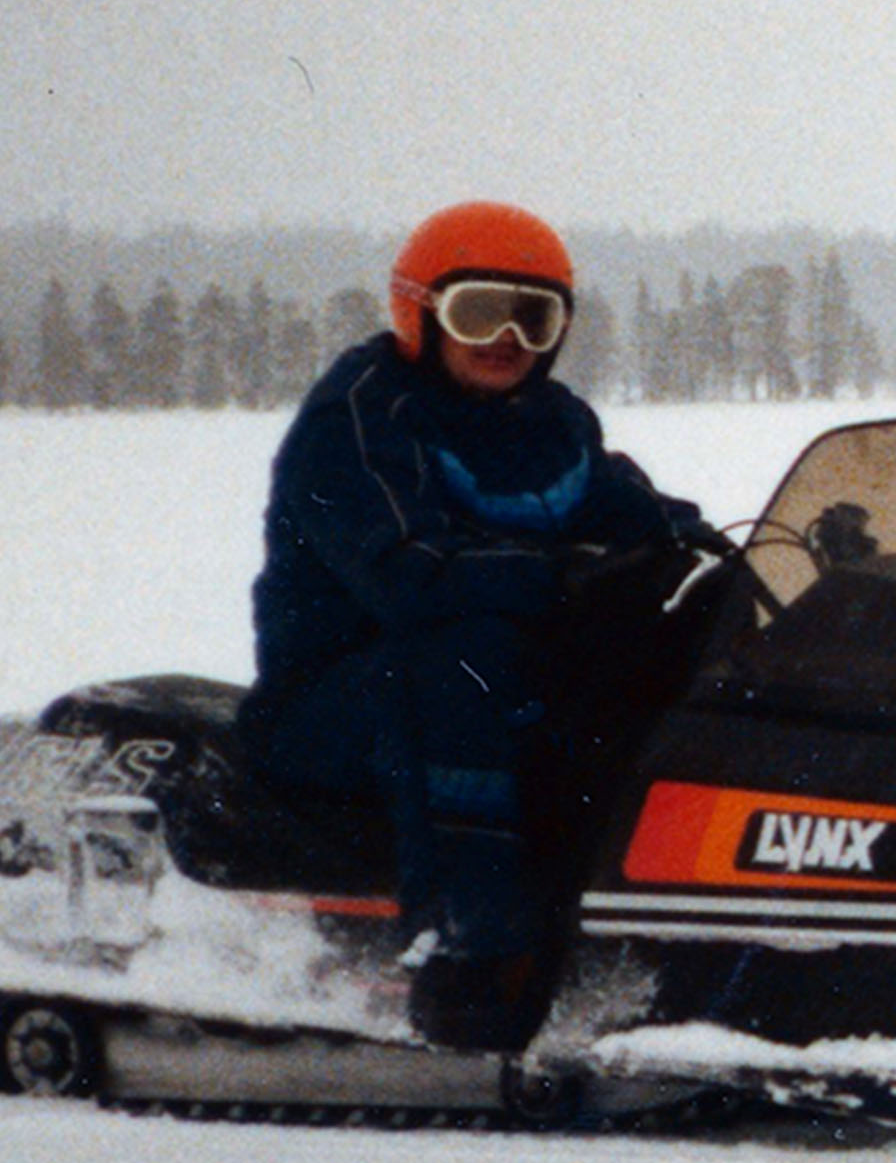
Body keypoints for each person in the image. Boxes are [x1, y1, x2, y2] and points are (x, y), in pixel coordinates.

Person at [239, 201, 712, 1052]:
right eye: (478, 311)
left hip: (471, 672)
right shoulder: (361, 418)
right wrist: (562, 575)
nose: (507, 339)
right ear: (420, 310)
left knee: (644, 661)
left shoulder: (553, 423)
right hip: (337, 699)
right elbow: (408, 573)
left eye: (534, 318)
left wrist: (707, 550)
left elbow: (621, 503)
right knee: (472, 661)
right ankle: (470, 949)